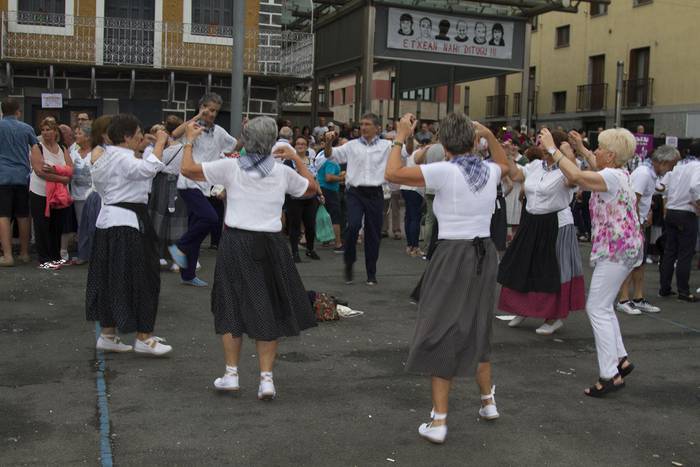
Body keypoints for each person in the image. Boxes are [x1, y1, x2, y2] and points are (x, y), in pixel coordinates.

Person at [385, 112, 509, 444]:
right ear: (473, 141)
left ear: (444, 143)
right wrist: (490, 136)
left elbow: (392, 172)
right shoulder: (490, 170)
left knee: (441, 328)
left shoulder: (444, 171)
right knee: (479, 326)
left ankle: (439, 421)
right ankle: (487, 402)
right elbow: (507, 167)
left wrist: (399, 136)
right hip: (485, 253)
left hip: (453, 253)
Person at [180, 116, 318, 400]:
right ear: (273, 141)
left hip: (236, 242)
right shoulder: (281, 172)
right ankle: (266, 379)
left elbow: (187, 170)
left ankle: (232, 374)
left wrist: (189, 141)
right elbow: (312, 189)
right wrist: (296, 157)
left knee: (231, 304)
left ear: (247, 138)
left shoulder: (231, 167)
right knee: (268, 306)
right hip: (271, 243)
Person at [543, 127, 642, 397]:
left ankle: (609, 374)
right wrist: (582, 148)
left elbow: (575, 175)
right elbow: (595, 165)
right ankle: (620, 359)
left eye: (599, 148)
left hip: (615, 249)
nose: (594, 151)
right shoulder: (619, 172)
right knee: (604, 306)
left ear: (611, 155)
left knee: (597, 308)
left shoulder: (609, 176)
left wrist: (553, 148)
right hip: (625, 247)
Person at [86, 114, 172, 355]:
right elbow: (148, 170)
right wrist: (160, 143)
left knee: (111, 278)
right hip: (127, 223)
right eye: (137, 135)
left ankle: (108, 333)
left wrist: (149, 146)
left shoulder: (106, 155)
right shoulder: (122, 157)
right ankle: (144, 336)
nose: (140, 139)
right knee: (143, 278)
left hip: (109, 222)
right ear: (125, 137)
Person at [498, 130, 585, 336]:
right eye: (544, 150)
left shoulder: (569, 168)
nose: (545, 154)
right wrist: (509, 156)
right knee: (522, 265)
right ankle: (522, 308)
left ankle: (554, 317)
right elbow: (517, 175)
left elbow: (573, 180)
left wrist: (563, 151)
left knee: (550, 271)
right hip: (532, 221)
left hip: (555, 223)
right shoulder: (536, 166)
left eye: (548, 151)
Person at [168, 93, 237, 287]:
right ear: (202, 107)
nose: (212, 114)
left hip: (206, 185)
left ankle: (188, 275)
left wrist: (246, 132)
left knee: (196, 231)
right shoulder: (192, 127)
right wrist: (198, 116)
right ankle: (179, 248)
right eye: (209, 109)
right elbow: (174, 134)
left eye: (215, 111)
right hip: (189, 182)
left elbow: (234, 146)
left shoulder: (220, 132)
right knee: (210, 218)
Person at [324, 113, 397, 285]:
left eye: (367, 124)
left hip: (375, 193)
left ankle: (371, 272)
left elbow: (406, 152)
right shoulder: (351, 145)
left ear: (377, 128)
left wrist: (405, 137)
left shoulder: (387, 145)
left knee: (373, 234)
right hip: (355, 192)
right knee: (354, 225)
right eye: (361, 124)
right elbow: (330, 155)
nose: (363, 127)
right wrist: (327, 142)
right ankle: (349, 262)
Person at [616, 145, 679, 313]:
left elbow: (648, 195)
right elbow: (633, 200)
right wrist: (637, 223)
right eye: (671, 165)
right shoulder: (644, 173)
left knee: (639, 262)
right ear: (663, 162)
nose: (670, 170)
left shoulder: (649, 173)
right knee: (630, 262)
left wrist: (646, 213)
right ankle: (623, 299)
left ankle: (637, 297)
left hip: (638, 223)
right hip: (633, 224)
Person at [0, 97, 39, 266]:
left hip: (2, 176)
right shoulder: (27, 128)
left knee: (3, 216)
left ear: (2, 111)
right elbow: (36, 150)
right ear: (18, 111)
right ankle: (24, 253)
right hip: (23, 177)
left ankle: (7, 256)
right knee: (23, 215)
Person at [659, 140, 700, 302]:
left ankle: (665, 288)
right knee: (685, 253)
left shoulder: (679, 167)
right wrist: (698, 203)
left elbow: (663, 187)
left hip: (672, 210)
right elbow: (695, 186)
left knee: (670, 251)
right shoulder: (697, 167)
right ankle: (683, 291)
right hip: (686, 212)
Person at [30, 117, 73, 266]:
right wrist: (62, 178)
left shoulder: (63, 148)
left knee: (57, 225)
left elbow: (70, 169)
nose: (45, 133)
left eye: (49, 129)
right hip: (40, 193)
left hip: (59, 195)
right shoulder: (37, 147)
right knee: (42, 226)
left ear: (55, 131)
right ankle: (44, 259)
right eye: (43, 130)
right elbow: (40, 172)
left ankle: (55, 257)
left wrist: (55, 171)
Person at [148, 115, 189, 268]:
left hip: (162, 185)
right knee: (178, 220)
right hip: (180, 185)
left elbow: (154, 166)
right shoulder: (185, 148)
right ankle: (177, 260)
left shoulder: (163, 150)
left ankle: (158, 255)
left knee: (159, 219)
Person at [74, 115, 111, 264]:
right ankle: (94, 257)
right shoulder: (99, 149)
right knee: (93, 230)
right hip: (98, 195)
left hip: (107, 195)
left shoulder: (109, 148)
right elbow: (99, 167)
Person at [285, 136, 322, 262]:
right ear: (295, 146)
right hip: (295, 198)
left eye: (303, 144)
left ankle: (310, 249)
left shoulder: (312, 161)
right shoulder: (289, 161)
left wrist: (320, 194)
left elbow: (316, 180)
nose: (300, 146)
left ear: (307, 146)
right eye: (298, 144)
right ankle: (294, 252)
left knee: (310, 225)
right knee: (294, 226)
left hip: (311, 198)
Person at [316, 139, 345, 252]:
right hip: (329, 190)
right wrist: (342, 177)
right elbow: (329, 177)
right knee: (335, 216)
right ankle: (338, 244)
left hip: (322, 188)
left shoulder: (322, 157)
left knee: (325, 215)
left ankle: (325, 240)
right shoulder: (332, 160)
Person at [401, 143, 426, 257]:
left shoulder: (407, 155)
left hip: (405, 186)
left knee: (409, 217)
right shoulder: (418, 154)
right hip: (415, 188)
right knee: (415, 218)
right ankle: (414, 247)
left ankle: (409, 245)